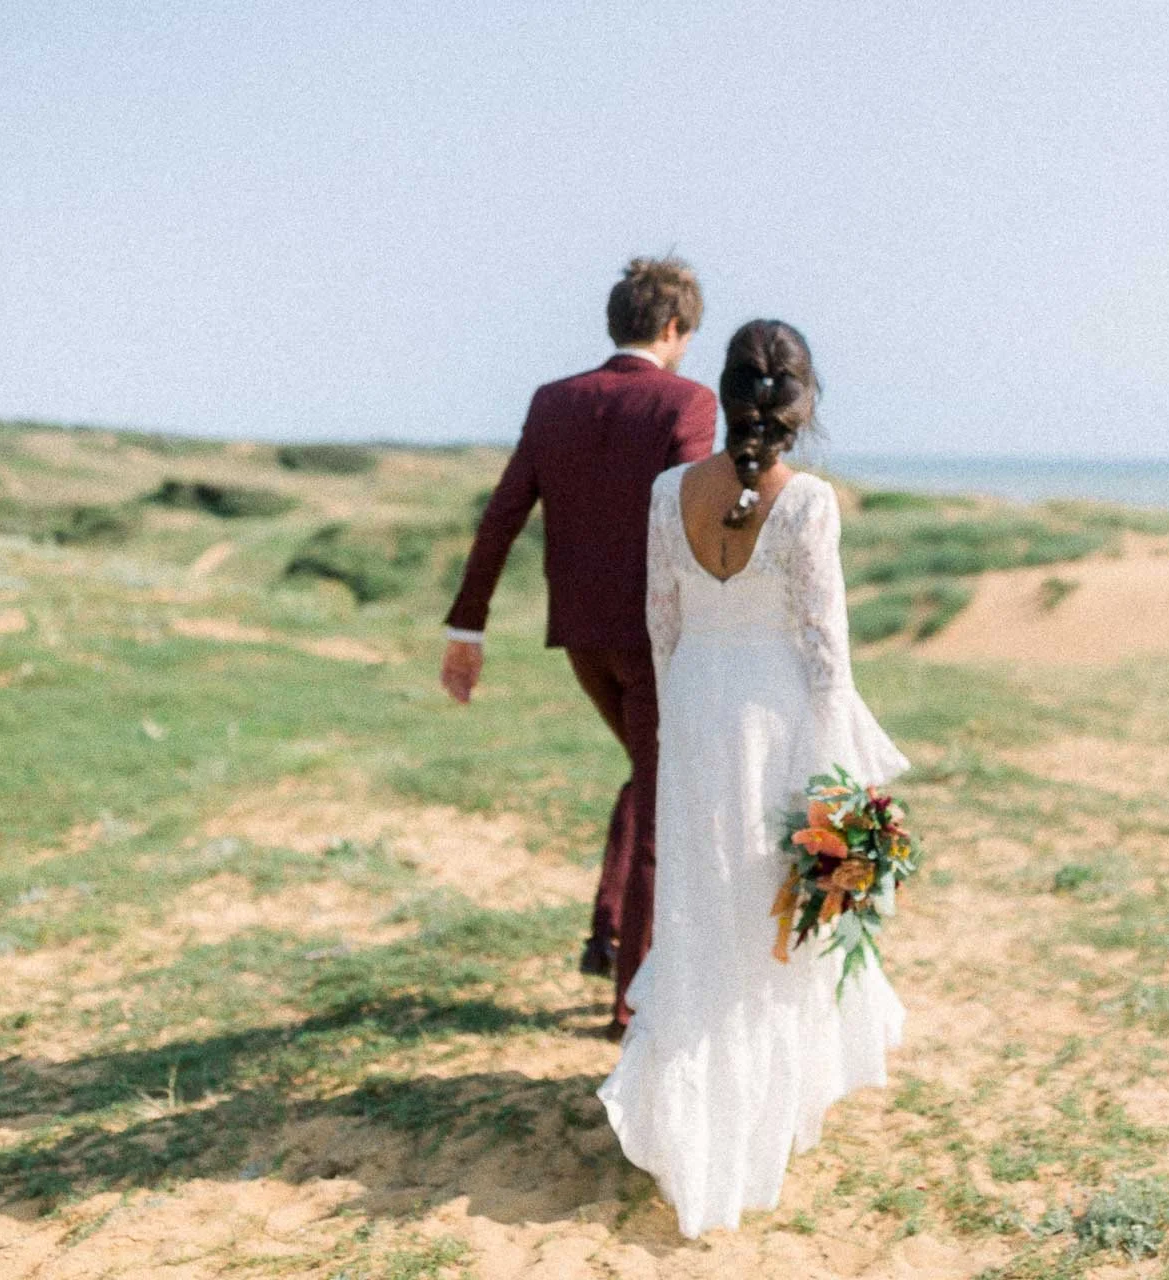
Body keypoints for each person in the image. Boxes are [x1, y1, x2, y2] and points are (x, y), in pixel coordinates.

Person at [596, 319, 908, 1237]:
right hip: (776, 716)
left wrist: (685, 718)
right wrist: (844, 773)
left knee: (702, 910)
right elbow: (825, 649)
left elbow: (662, 628)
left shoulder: (665, 493)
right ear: (802, 408)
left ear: (726, 397)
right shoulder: (808, 503)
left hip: (696, 710)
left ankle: (692, 1116)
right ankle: (746, 1121)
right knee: (771, 914)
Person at [440, 256, 717, 1036]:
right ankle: (632, 1011)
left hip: (581, 640)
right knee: (666, 809)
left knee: (648, 770)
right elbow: (688, 524)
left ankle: (605, 931)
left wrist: (469, 626)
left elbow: (502, 515)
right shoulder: (687, 401)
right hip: (657, 642)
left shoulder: (553, 401)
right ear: (673, 328)